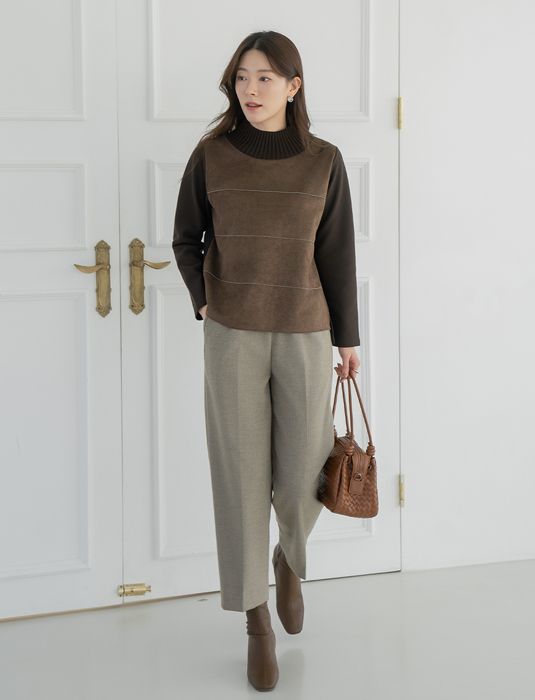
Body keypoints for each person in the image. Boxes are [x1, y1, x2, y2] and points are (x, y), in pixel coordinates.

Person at [172, 30, 360, 692]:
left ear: (292, 86)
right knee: (240, 476)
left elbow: (337, 252)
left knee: (308, 468)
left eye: (264, 78)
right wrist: (203, 300)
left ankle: (288, 557)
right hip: (232, 334)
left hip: (306, 331)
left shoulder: (323, 160)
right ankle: (256, 620)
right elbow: (186, 238)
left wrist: (348, 338)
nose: (250, 90)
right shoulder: (212, 155)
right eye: (242, 78)